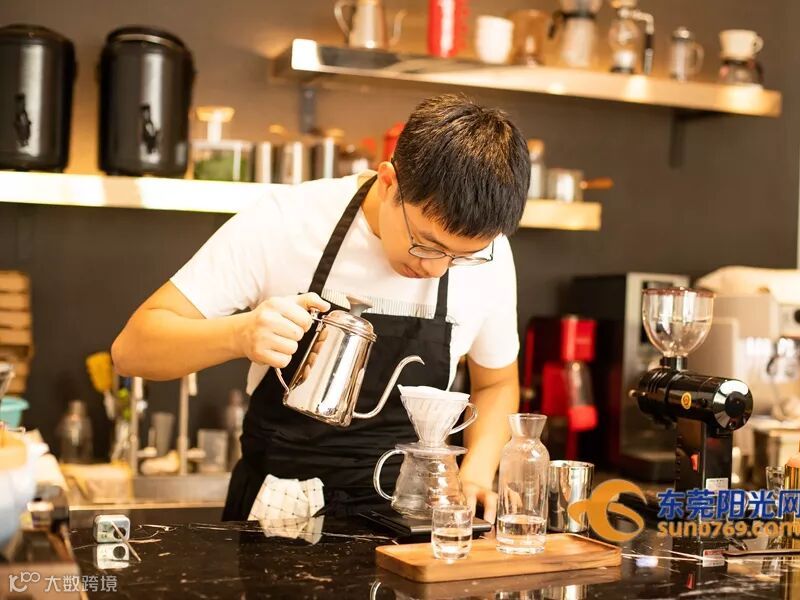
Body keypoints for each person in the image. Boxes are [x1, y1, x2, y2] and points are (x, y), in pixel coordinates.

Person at [112, 93, 530, 522]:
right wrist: (240, 334)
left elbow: (496, 384)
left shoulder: (492, 255)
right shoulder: (285, 220)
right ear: (389, 182)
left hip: (414, 519)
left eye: (460, 258)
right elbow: (131, 349)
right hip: (278, 514)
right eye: (426, 243)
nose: (437, 268)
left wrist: (476, 474)